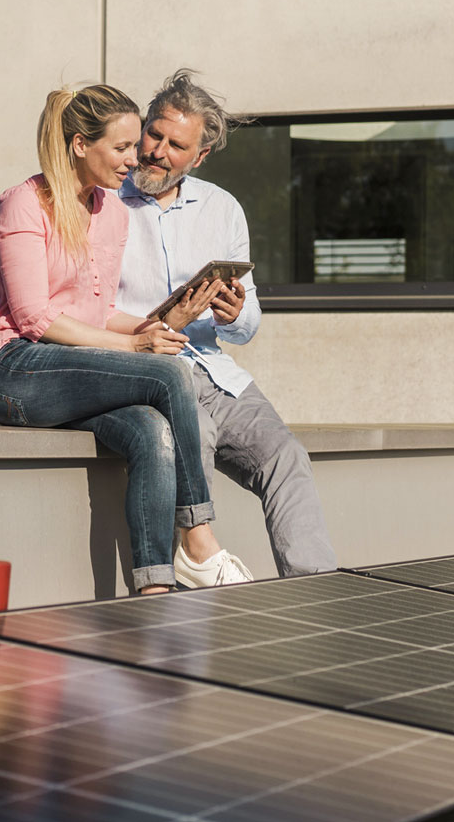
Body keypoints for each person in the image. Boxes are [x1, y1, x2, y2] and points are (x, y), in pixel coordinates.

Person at [0, 83, 250, 594]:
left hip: (72, 365)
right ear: (80, 145)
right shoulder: (23, 205)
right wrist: (138, 349)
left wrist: (150, 327)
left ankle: (155, 585)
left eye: (131, 144)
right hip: (13, 369)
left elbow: (99, 311)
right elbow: (34, 318)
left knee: (150, 430)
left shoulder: (111, 212)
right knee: (169, 372)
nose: (133, 158)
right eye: (121, 147)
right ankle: (199, 537)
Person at [115, 69, 338, 581]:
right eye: (155, 134)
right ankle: (200, 582)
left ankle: (315, 586)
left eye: (177, 145)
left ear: (200, 156)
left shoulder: (222, 209)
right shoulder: (106, 202)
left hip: (216, 369)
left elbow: (247, 325)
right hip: (155, 366)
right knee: (198, 437)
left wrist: (236, 314)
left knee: (287, 458)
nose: (157, 152)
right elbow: (89, 305)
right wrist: (161, 323)